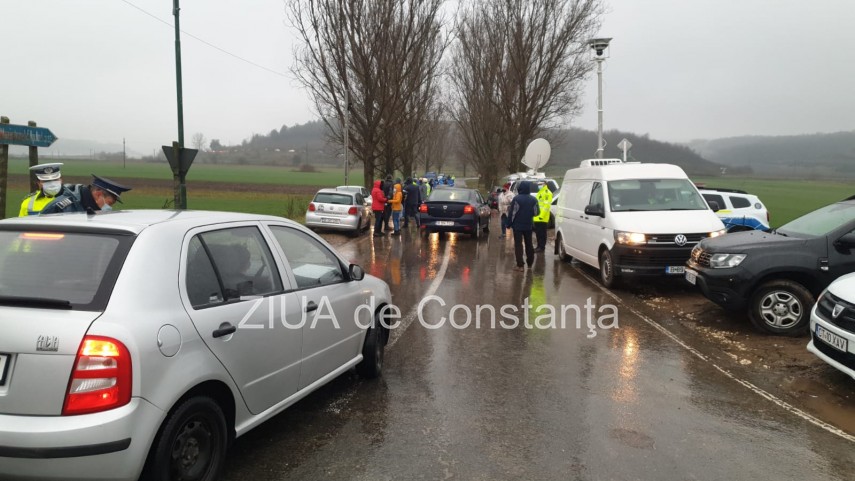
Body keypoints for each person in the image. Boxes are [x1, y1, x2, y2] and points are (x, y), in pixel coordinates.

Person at [39, 174, 131, 215]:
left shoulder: (93, 209)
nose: (109, 207)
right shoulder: (61, 207)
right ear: (98, 194)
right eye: (109, 203)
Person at [506, 181, 539, 271]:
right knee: (529, 244)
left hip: (517, 226)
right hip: (528, 226)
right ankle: (530, 263)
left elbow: (512, 214)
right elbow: (536, 213)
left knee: (518, 245)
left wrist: (508, 224)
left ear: (520, 188)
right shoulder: (534, 199)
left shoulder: (516, 199)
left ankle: (520, 265)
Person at [533, 181, 553, 252]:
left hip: (542, 218)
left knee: (542, 233)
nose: (539, 185)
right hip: (537, 217)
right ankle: (539, 246)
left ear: (545, 184)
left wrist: (541, 216)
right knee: (538, 233)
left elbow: (546, 206)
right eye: (538, 184)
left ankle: (541, 247)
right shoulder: (540, 192)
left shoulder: (547, 193)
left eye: (540, 184)